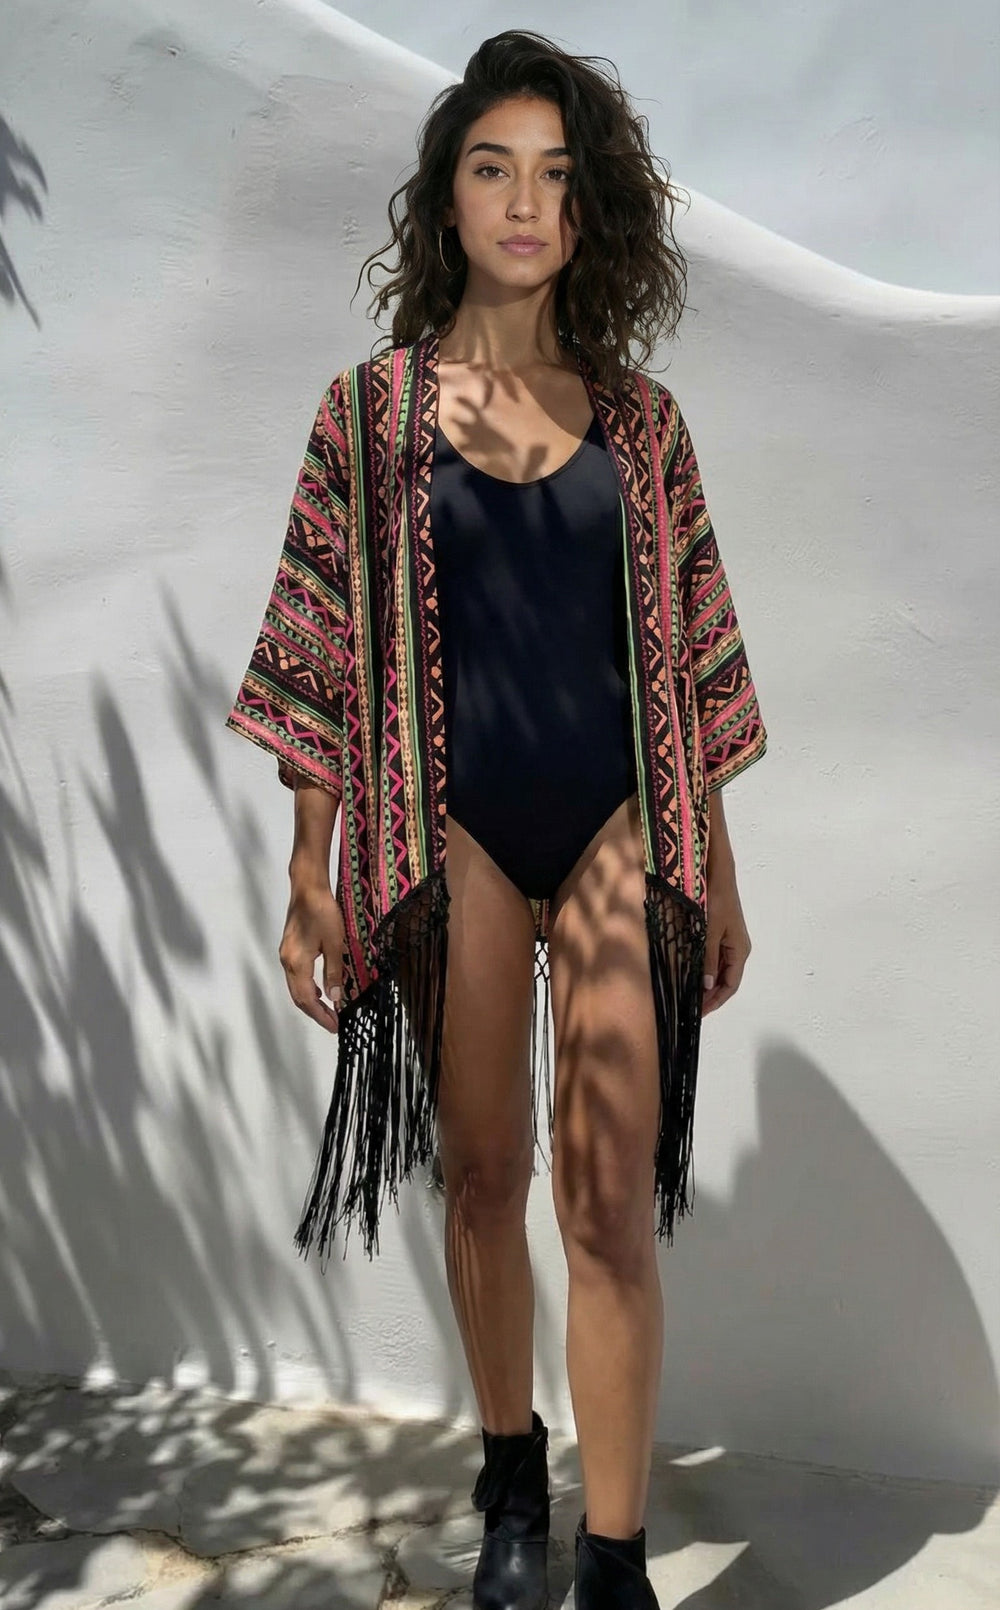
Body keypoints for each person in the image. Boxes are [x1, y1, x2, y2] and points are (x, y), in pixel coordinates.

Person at [224, 29, 768, 1610]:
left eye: (555, 175)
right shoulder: (367, 412)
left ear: (590, 213)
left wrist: (720, 874)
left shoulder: (646, 428)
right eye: (491, 168)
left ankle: (615, 1555)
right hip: (442, 829)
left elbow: (696, 664)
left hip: (620, 830)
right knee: (481, 1170)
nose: (524, 202)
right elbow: (321, 643)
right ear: (447, 199)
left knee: (605, 1192)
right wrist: (311, 867)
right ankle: (511, 1472)